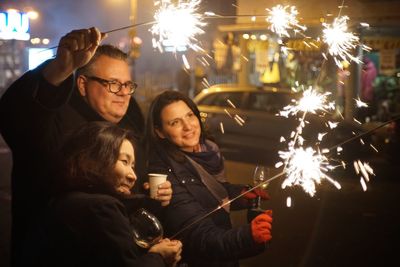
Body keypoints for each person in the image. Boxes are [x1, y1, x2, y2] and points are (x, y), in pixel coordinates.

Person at [0, 27, 171, 265]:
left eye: (127, 85)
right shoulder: (54, 121)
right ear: (82, 84)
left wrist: (154, 196)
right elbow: (16, 116)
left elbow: (129, 197)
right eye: (112, 83)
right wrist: (60, 68)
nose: (123, 93)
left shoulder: (130, 127)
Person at [20, 121, 182, 267]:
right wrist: (160, 257)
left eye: (133, 166)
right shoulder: (100, 207)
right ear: (96, 159)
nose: (133, 176)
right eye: (124, 162)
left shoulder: (64, 200)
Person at [145, 90, 273, 267]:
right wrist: (247, 236)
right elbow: (199, 236)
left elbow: (209, 193)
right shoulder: (165, 176)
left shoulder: (208, 150)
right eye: (175, 122)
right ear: (160, 132)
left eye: (189, 115)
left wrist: (240, 194)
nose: (188, 126)